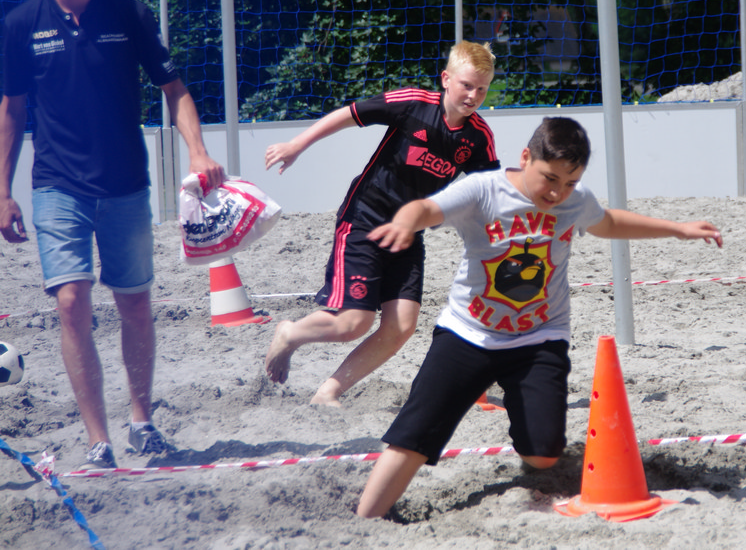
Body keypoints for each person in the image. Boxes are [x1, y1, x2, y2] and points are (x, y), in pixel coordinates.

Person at [354, 116, 722, 518]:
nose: (557, 192)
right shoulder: (483, 190)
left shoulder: (576, 201)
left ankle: (530, 442)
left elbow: (608, 222)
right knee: (413, 437)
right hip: (468, 333)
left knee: (544, 454)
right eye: (550, 178)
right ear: (526, 157)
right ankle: (366, 519)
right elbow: (426, 207)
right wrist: (405, 222)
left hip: (539, 338)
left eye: (570, 182)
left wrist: (677, 229)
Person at [0, 0, 225, 471]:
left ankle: (142, 422)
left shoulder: (128, 11)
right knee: (71, 302)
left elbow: (174, 88)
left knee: (135, 304)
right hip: (57, 185)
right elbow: (12, 110)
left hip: (125, 183)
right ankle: (98, 440)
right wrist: (2, 190)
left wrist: (198, 150)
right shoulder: (22, 24)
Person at [263, 40, 499, 406]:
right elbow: (349, 114)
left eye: (482, 89)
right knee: (352, 323)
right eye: (467, 85)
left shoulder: (478, 137)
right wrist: (297, 144)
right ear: (446, 79)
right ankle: (289, 334)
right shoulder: (414, 103)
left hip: (407, 234)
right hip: (365, 219)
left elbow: (491, 193)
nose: (474, 95)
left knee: (401, 326)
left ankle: (328, 392)